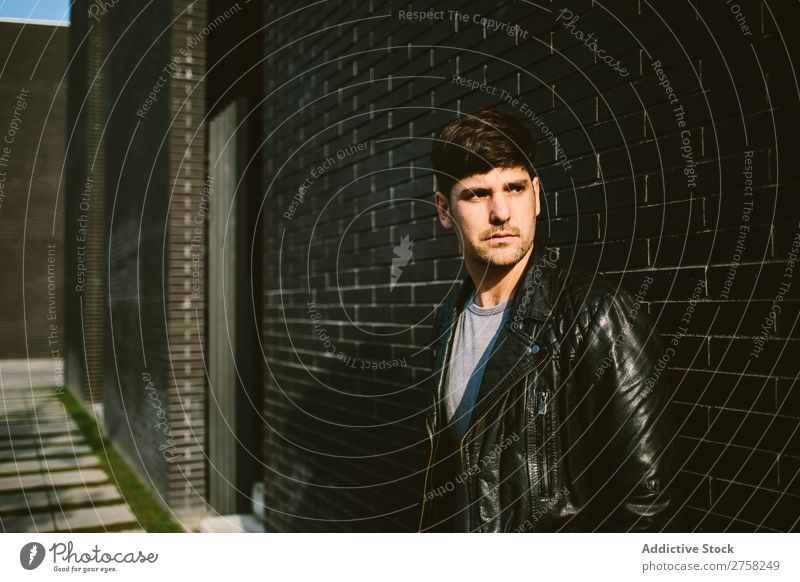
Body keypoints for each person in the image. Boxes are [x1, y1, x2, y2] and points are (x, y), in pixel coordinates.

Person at [418, 106, 677, 532]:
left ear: (537, 196)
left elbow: (644, 506)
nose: (501, 212)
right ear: (445, 210)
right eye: (478, 194)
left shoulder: (600, 318)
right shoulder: (448, 322)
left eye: (515, 188)